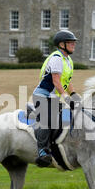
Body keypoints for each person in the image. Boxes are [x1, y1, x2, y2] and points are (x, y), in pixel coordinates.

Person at [32, 30, 79, 167]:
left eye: (73, 42)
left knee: (69, 117)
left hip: (55, 97)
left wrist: (74, 94)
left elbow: (67, 81)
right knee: (48, 119)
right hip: (43, 95)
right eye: (71, 42)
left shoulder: (68, 60)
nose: (73, 44)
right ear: (62, 44)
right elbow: (56, 81)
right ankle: (42, 151)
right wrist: (66, 97)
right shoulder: (57, 58)